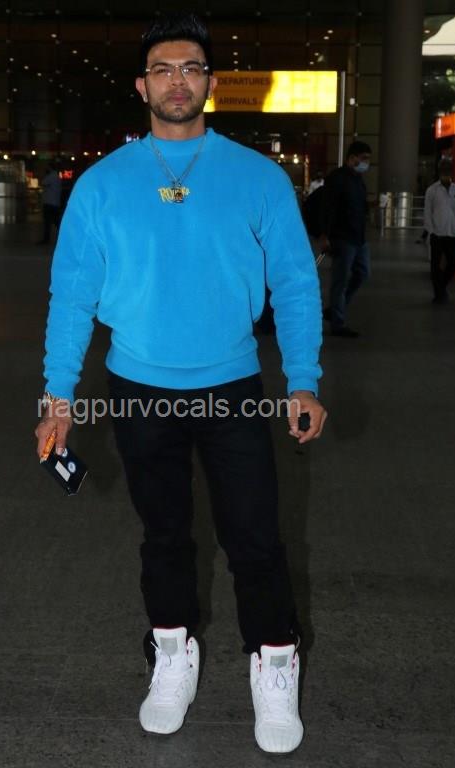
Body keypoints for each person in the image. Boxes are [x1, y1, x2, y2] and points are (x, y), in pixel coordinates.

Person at [35, 12, 326, 755]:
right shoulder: (102, 185)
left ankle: (275, 660)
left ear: (211, 84)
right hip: (136, 388)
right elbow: (71, 296)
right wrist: (58, 398)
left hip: (232, 386)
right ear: (141, 86)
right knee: (163, 532)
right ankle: (172, 652)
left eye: (191, 68)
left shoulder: (257, 177)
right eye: (162, 69)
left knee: (254, 534)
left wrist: (302, 380)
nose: (177, 81)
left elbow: (296, 282)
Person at [319, 141, 372, 338]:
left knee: (362, 273)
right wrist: (324, 234)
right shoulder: (337, 178)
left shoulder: (358, 180)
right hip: (342, 237)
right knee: (340, 281)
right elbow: (327, 207)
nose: (366, 163)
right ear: (352, 158)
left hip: (358, 237)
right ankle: (338, 323)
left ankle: (334, 309)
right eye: (364, 158)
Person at [423, 159, 455, 303]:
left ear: (451, 172)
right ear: (439, 172)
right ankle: (439, 295)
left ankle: (442, 287)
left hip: (453, 234)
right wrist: (432, 231)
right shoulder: (432, 190)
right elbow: (427, 212)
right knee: (435, 267)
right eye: (443, 170)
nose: (446, 173)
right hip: (437, 235)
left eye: (448, 170)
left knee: (452, 265)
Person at [37, 164, 62, 245]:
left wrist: (42, 175)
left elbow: (42, 182)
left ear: (50, 168)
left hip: (49, 203)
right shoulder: (57, 176)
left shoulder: (51, 176)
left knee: (48, 222)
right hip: (55, 203)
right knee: (56, 222)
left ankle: (46, 239)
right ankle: (64, 236)